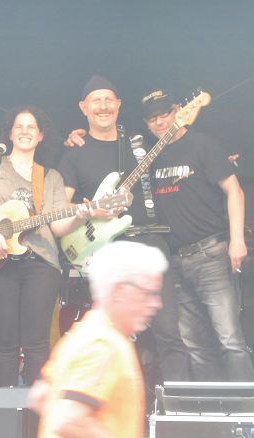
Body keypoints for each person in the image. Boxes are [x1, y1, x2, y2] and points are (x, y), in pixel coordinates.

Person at [0, 106, 93, 387]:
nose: (25, 131)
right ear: (10, 134)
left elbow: (56, 226)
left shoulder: (50, 177)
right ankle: (5, 407)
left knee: (37, 342)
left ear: (40, 136)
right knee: (3, 341)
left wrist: (79, 216)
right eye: (19, 126)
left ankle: (35, 409)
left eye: (31, 127)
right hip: (0, 263)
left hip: (41, 263)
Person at [58, 75, 189, 382]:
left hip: (149, 241)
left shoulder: (139, 145)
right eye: (96, 100)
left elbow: (181, 154)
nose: (103, 106)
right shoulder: (74, 152)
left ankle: (175, 406)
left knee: (169, 331)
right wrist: (89, 211)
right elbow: (61, 207)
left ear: (118, 105)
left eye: (109, 100)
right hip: (106, 249)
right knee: (109, 334)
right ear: (83, 108)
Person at [28, 241, 170, 438]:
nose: (157, 303)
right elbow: (69, 419)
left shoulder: (83, 333)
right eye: (149, 293)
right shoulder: (102, 345)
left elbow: (40, 397)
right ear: (120, 291)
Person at [141, 88, 254, 382]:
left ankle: (243, 407)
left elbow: (234, 190)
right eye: (152, 118)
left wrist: (237, 240)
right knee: (194, 346)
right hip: (173, 260)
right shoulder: (150, 157)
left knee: (230, 339)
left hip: (210, 254)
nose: (159, 122)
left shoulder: (201, 144)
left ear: (178, 110)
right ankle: (211, 405)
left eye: (164, 114)